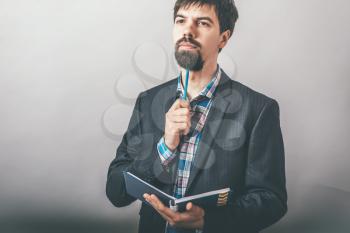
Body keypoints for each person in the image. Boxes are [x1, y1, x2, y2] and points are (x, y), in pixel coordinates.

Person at [106, 0, 287, 232]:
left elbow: (271, 200)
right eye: (181, 20)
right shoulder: (148, 101)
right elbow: (116, 192)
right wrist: (164, 147)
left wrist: (207, 220)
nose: (187, 31)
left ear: (223, 38)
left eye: (202, 23)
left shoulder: (258, 109)